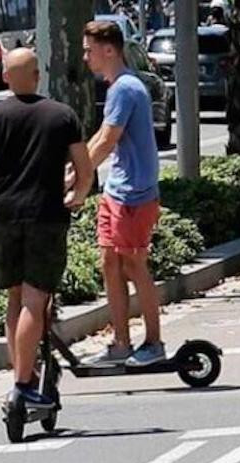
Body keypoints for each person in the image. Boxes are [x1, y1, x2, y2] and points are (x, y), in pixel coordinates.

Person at [0, 49, 93, 408]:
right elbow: (84, 171)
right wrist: (76, 196)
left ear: (5, 76)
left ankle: (20, 377)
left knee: (15, 298)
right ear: (37, 75)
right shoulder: (62, 116)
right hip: (47, 217)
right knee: (36, 301)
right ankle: (24, 384)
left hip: (4, 218)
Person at [81, 20, 165, 367]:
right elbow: (100, 136)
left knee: (133, 264)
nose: (85, 57)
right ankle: (121, 343)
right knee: (110, 264)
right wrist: (73, 170)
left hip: (133, 194)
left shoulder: (126, 89)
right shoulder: (118, 87)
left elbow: (106, 140)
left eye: (89, 50)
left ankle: (154, 342)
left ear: (109, 50)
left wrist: (77, 177)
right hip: (118, 191)